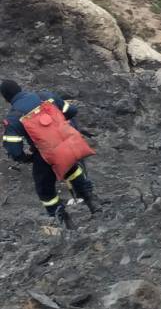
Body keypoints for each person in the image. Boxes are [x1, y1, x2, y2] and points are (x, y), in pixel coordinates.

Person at [1, 78, 97, 224]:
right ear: (20, 88)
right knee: (72, 169)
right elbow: (71, 111)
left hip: (45, 155)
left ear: (6, 98)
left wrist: (27, 158)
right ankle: (93, 204)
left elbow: (14, 149)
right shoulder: (44, 96)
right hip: (67, 145)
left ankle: (66, 224)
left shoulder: (13, 117)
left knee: (45, 190)